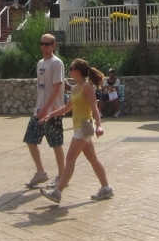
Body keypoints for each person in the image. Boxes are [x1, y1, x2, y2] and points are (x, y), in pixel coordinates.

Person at [39, 59, 113, 204]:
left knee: (70, 159)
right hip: (79, 128)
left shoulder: (87, 87)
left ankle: (57, 192)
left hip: (83, 128)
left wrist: (99, 125)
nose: (69, 71)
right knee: (93, 159)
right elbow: (67, 107)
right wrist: (50, 115)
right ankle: (106, 188)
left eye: (71, 69)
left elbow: (94, 107)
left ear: (77, 71)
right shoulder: (77, 87)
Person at [24, 34, 66, 188]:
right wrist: (39, 108)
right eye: (41, 44)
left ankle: (63, 176)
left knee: (56, 143)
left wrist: (46, 109)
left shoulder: (57, 63)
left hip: (52, 111)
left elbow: (57, 87)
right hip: (39, 110)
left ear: (54, 45)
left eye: (47, 44)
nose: (44, 47)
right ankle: (40, 172)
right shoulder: (40, 63)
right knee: (30, 139)